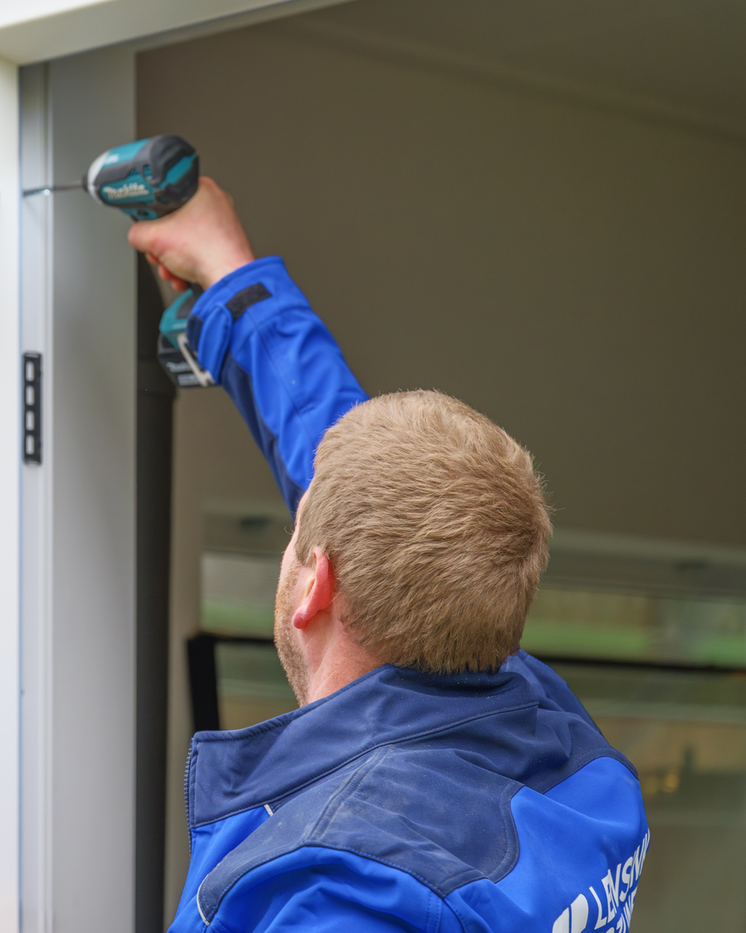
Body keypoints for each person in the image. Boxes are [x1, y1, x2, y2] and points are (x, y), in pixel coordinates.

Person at [128, 179, 648, 931]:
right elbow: (377, 482)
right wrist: (233, 279)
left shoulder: (340, 888)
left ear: (316, 585)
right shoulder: (552, 736)